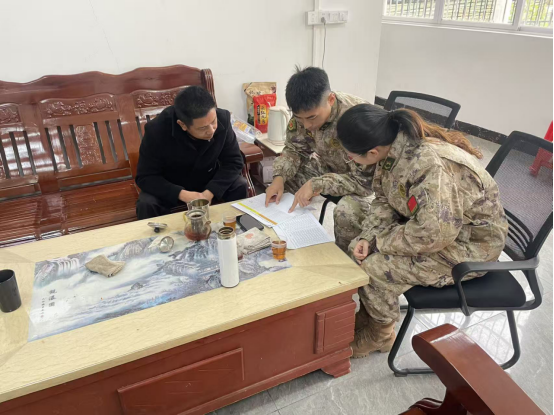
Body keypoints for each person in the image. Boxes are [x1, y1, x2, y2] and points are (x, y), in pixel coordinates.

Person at [336, 105, 509, 359]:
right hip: (432, 227)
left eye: (351, 157)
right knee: (355, 234)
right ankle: (371, 312)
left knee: (374, 267)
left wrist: (379, 242)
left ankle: (380, 335)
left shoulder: (429, 166)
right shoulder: (392, 148)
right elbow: (385, 198)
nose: (351, 161)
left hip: (470, 247)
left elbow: (433, 234)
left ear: (372, 151)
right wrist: (368, 236)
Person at [265, 67, 375, 252]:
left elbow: (365, 182)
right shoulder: (304, 114)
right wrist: (279, 177)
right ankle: (288, 239)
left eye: (312, 118)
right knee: (287, 178)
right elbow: (295, 149)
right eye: (300, 119)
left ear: (330, 99)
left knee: (348, 211)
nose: (307, 125)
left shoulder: (357, 118)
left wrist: (318, 184)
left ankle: (345, 259)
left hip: (365, 184)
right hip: (329, 169)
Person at [135, 86, 247, 220]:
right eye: (203, 128)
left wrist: (211, 191)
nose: (211, 130)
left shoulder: (223, 118)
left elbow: (234, 162)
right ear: (182, 125)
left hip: (208, 180)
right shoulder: (157, 131)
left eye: (213, 122)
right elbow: (145, 177)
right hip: (172, 185)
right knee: (146, 203)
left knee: (239, 184)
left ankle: (239, 227)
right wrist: (182, 194)